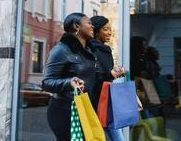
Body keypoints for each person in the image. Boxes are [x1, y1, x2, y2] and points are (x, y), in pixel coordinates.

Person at [42, 13, 123, 141]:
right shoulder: (61, 50)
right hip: (66, 111)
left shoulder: (89, 51)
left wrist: (111, 74)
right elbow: (47, 82)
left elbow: (95, 79)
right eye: (89, 23)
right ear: (76, 26)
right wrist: (69, 83)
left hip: (86, 109)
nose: (92, 26)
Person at [90, 15, 125, 141]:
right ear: (96, 31)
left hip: (109, 100)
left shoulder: (106, 49)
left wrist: (116, 71)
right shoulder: (91, 49)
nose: (110, 32)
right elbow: (93, 75)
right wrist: (110, 74)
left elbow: (106, 73)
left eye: (110, 29)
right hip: (98, 100)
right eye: (105, 29)